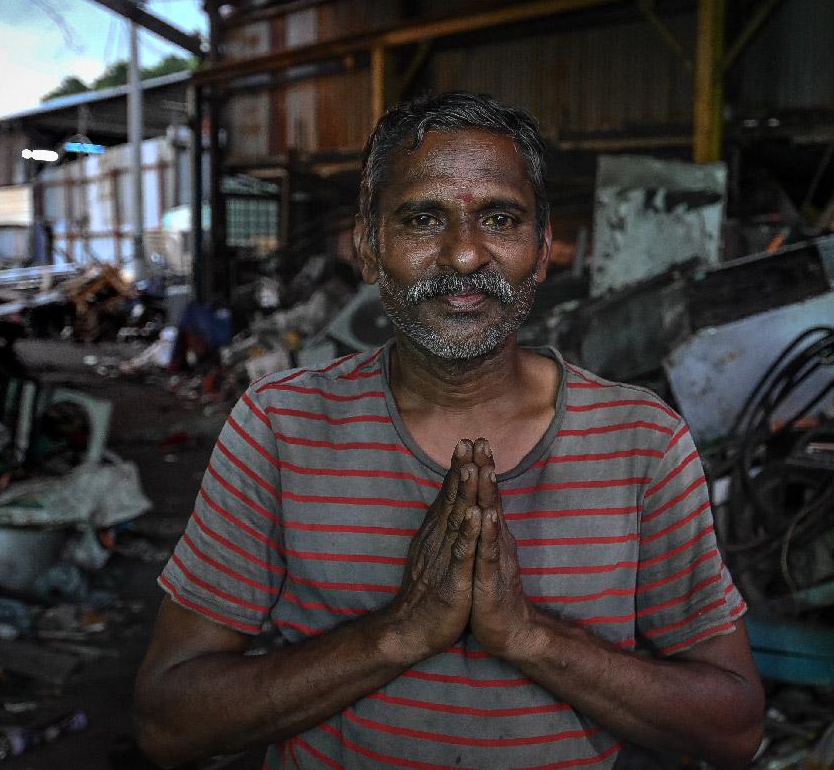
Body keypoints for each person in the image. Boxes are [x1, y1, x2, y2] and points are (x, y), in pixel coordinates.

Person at [133, 92, 763, 769]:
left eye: (499, 216)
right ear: (370, 248)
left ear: (543, 248)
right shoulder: (278, 427)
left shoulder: (643, 440)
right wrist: (399, 632)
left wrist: (528, 637)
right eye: (423, 217)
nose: (465, 254)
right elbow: (169, 721)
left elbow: (731, 729)